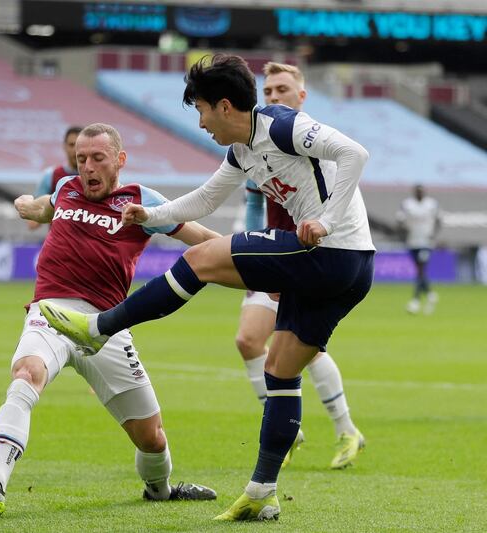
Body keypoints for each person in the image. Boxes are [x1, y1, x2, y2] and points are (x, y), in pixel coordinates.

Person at [39, 54, 375, 522]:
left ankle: (100, 327)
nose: (199, 123)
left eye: (199, 109)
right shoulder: (241, 151)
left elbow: (354, 154)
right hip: (353, 269)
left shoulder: (281, 126)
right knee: (279, 371)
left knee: (200, 259)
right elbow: (205, 199)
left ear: (223, 105)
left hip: (331, 252)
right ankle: (261, 492)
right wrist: (149, 216)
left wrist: (326, 219)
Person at [0, 123, 221, 517]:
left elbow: (199, 236)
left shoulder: (142, 200)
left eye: (98, 158)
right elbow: (43, 207)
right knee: (27, 374)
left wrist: (254, 262)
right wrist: (25, 204)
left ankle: (160, 491)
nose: (88, 167)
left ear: (120, 160)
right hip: (52, 313)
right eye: (81, 159)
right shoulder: (66, 189)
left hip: (107, 324)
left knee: (152, 439)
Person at [234, 62, 364, 470]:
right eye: (267, 90)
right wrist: (261, 264)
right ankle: (290, 430)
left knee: (300, 350)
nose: (272, 97)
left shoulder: (310, 140)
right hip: (276, 253)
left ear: (301, 96)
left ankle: (345, 430)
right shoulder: (256, 143)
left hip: (312, 254)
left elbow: (349, 168)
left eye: (282, 89)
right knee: (248, 340)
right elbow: (255, 203)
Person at [396, 184, 441, 314]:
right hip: (412, 242)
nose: (420, 194)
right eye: (418, 191)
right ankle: (430, 294)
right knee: (419, 270)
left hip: (426, 242)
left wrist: (433, 234)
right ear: (414, 192)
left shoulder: (432, 204)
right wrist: (404, 233)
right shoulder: (407, 204)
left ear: (425, 192)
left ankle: (415, 301)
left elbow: (439, 220)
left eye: (422, 191)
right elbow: (399, 221)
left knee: (421, 268)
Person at [26, 125, 82, 230]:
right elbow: (33, 222)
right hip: (60, 243)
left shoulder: (97, 177)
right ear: (64, 146)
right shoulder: (51, 175)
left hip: (87, 243)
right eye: (71, 145)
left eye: (79, 145)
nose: (75, 150)